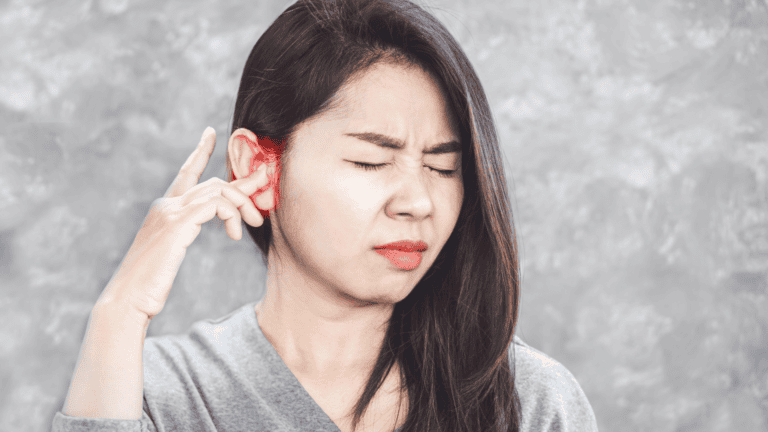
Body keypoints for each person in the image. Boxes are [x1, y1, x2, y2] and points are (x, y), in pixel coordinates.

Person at [52, 0, 599, 431]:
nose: (418, 202)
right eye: (371, 161)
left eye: (443, 168)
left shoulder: (528, 401)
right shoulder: (157, 391)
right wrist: (119, 310)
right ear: (259, 166)